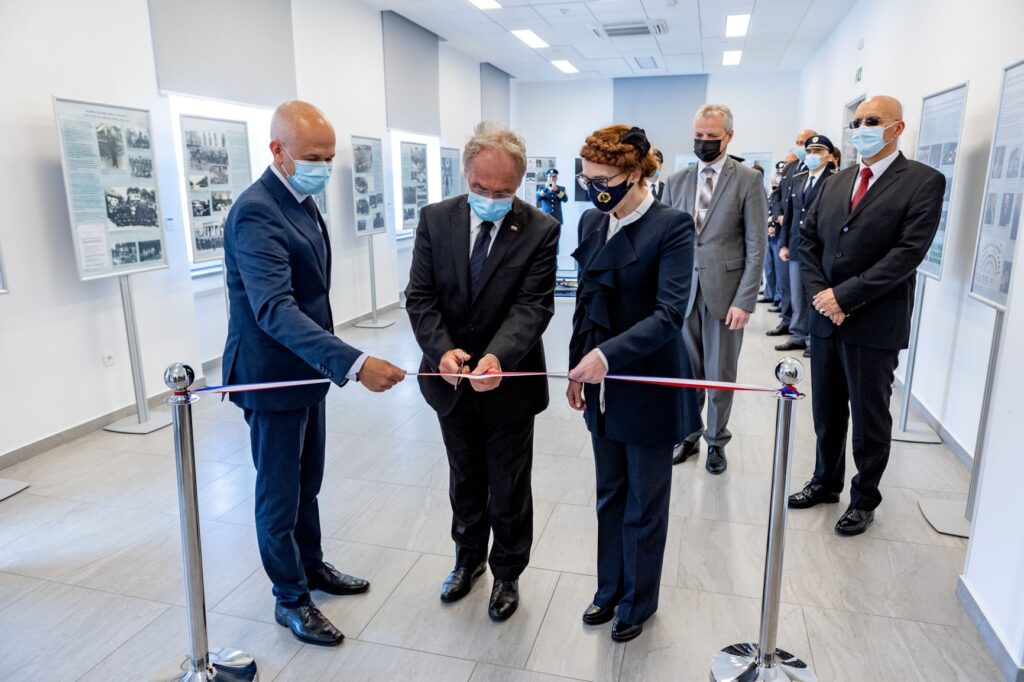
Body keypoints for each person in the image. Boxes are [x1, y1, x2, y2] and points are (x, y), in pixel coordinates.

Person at [222, 100, 406, 646]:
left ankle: (313, 566)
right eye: (312, 157)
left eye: (329, 157)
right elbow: (274, 308)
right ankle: (290, 599)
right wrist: (353, 361)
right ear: (276, 151)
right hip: (271, 376)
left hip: (305, 372)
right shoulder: (257, 210)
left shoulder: (300, 201)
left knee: (308, 483)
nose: (323, 167)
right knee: (278, 495)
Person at [406, 121, 560, 621]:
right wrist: (441, 352)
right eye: (480, 189)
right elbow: (421, 297)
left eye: (504, 192)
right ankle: (467, 559)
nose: (491, 198)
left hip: (508, 382)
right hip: (448, 380)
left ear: (518, 185)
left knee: (508, 482)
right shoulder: (435, 220)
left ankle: (508, 572)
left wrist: (498, 356)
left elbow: (533, 307)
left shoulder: (540, 229)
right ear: (464, 173)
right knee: (464, 476)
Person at [789, 96, 945, 536]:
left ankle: (864, 498)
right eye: (857, 122)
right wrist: (823, 295)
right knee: (827, 410)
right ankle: (825, 481)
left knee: (869, 417)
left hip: (873, 320)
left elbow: (907, 253)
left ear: (896, 128)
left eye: (871, 121)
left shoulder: (922, 181)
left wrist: (846, 296)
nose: (861, 128)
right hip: (825, 318)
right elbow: (808, 240)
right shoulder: (836, 181)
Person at [568, 125, 700, 643]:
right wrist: (580, 365)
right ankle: (609, 588)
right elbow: (586, 303)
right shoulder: (591, 222)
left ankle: (638, 601)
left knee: (645, 502)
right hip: (600, 384)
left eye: (604, 178)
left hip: (650, 381)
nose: (594, 188)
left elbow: (670, 314)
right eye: (587, 178)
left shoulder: (673, 226)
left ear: (635, 173)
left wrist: (606, 355)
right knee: (609, 493)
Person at [662, 104, 767, 472]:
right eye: (699, 136)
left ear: (729, 136)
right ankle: (688, 434)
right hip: (682, 295)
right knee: (685, 372)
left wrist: (746, 301)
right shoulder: (675, 182)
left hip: (726, 295)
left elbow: (757, 246)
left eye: (712, 137)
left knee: (720, 374)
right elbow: (663, 243)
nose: (704, 142)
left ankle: (716, 441)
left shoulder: (748, 180)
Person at [775, 135, 837, 354]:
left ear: (828, 155)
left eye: (818, 152)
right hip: (795, 245)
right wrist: (783, 244)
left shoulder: (834, 180)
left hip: (819, 249)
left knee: (815, 295)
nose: (812, 156)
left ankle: (813, 340)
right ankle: (797, 335)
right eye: (810, 151)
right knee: (796, 295)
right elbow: (790, 214)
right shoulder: (798, 179)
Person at [767, 129, 817, 326]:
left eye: (802, 142)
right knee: (785, 281)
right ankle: (787, 321)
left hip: (801, 235)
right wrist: (779, 214)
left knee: (800, 287)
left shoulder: (814, 170)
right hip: (784, 232)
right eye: (797, 141)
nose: (799, 146)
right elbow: (777, 195)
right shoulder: (791, 168)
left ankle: (799, 328)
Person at [760, 159, 790, 305]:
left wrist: (773, 224)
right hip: (770, 233)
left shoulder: (788, 190)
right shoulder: (774, 192)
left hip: (780, 233)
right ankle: (770, 294)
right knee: (769, 268)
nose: (779, 177)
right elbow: (769, 210)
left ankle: (779, 298)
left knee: (779, 270)